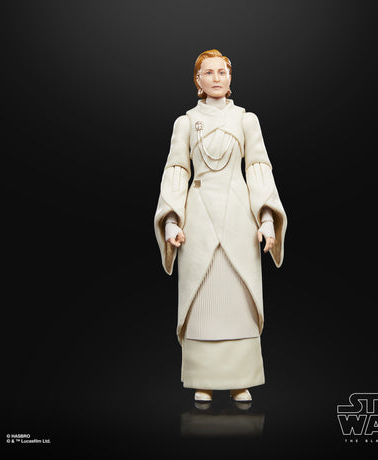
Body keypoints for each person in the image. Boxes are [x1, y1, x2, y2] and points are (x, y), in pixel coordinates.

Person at [154, 49, 287, 403]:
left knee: (239, 299)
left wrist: (267, 219)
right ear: (197, 81)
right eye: (208, 72)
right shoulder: (185, 123)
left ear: (230, 78)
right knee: (201, 299)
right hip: (198, 218)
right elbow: (176, 171)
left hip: (239, 217)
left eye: (222, 72)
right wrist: (171, 221)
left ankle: (240, 379)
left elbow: (258, 168)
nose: (216, 78)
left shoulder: (246, 120)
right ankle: (204, 379)